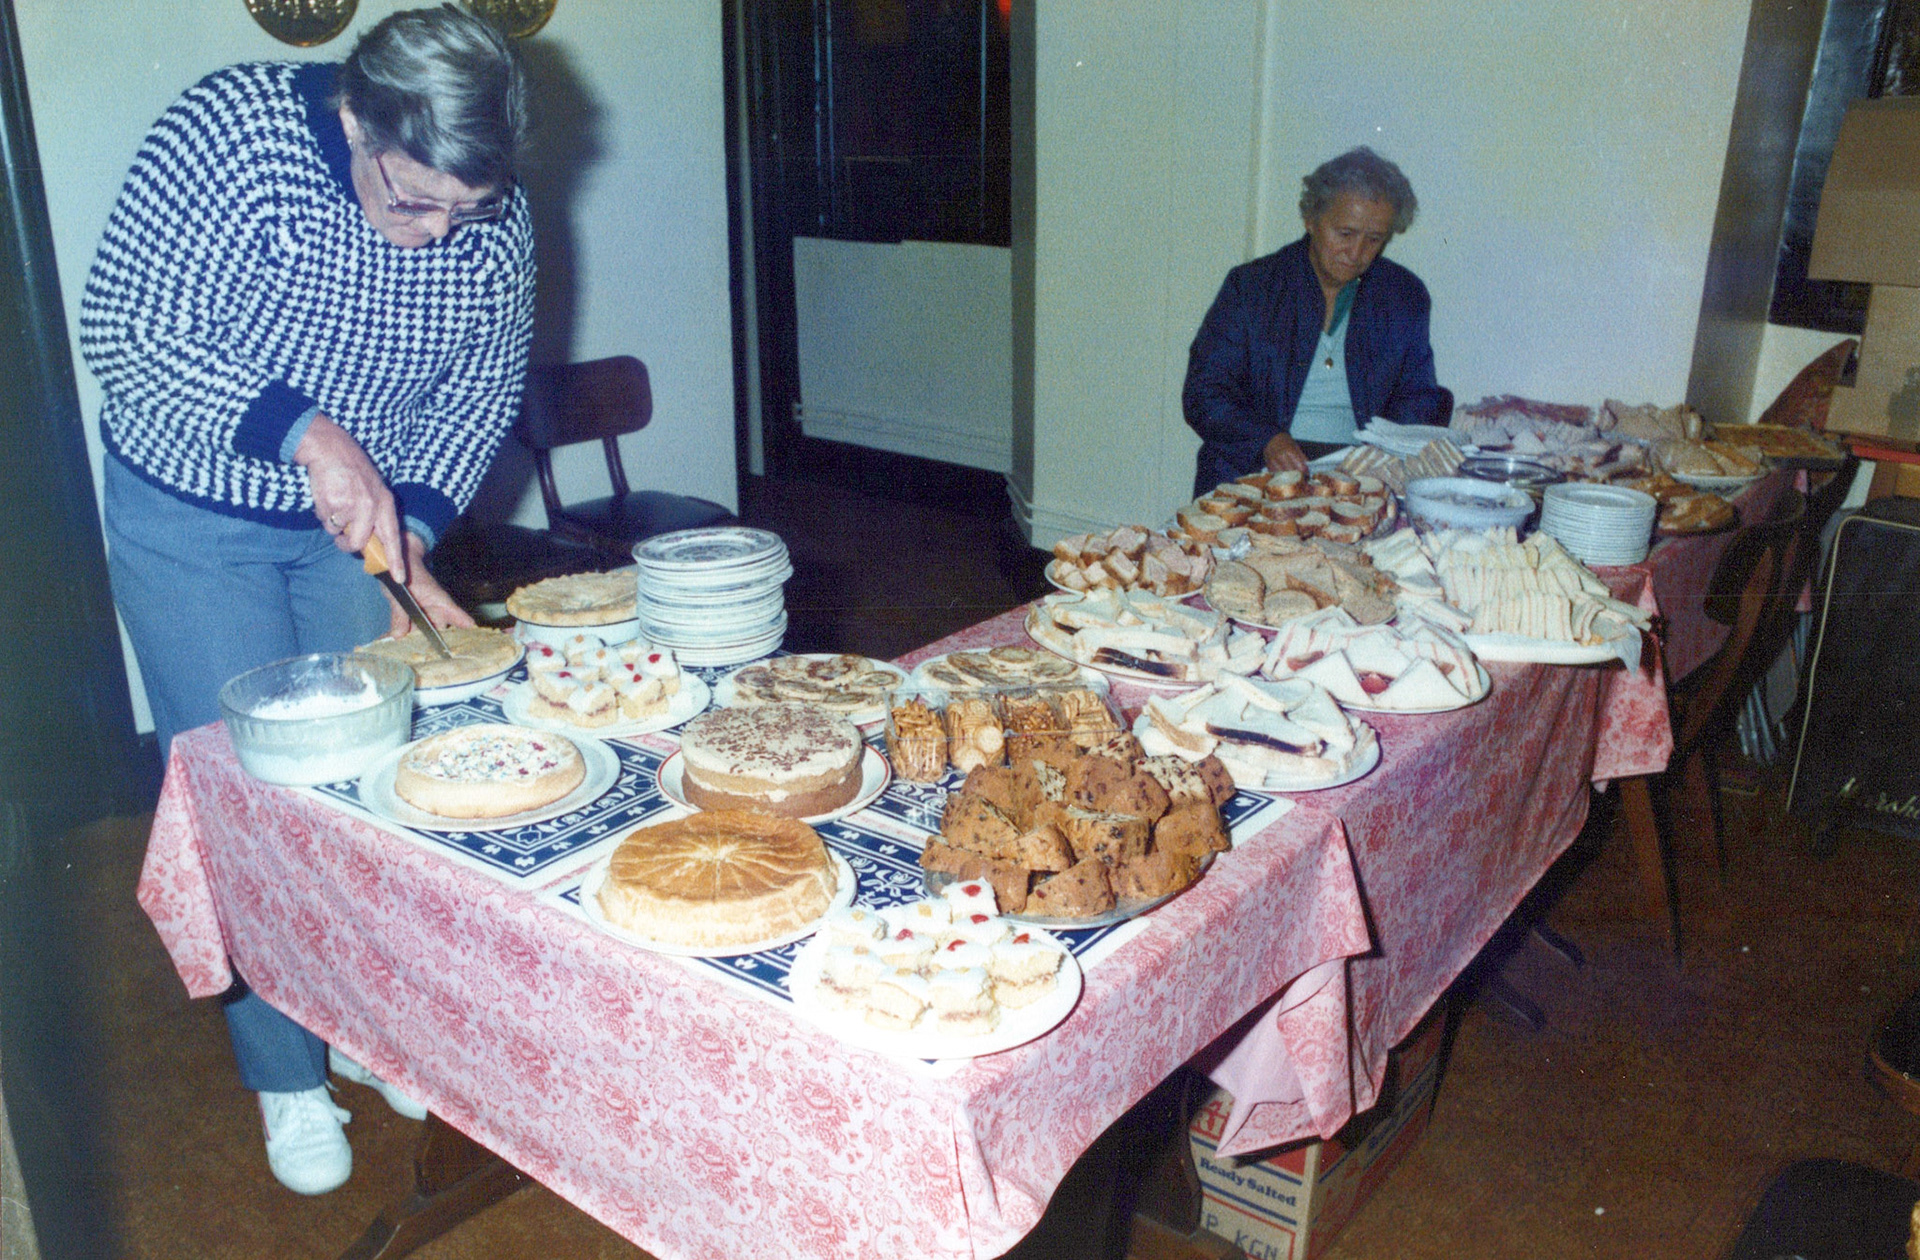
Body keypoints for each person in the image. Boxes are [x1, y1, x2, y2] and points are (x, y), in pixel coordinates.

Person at [81, 4, 534, 1195]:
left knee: (368, 783)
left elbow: (478, 389)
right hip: (192, 511)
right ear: (353, 119)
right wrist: (306, 429)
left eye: (468, 210)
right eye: (411, 202)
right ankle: (286, 1072)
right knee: (251, 781)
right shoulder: (235, 137)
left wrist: (416, 530)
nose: (439, 237)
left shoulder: (487, 220)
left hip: (358, 520)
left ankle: (375, 1025)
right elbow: (127, 330)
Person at [1182, 146, 1451, 495]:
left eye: (1374, 239)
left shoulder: (1403, 296)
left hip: (1357, 475)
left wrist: (1377, 458)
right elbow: (1204, 392)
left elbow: (1418, 398)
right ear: (1311, 219)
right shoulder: (1251, 287)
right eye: (1344, 234)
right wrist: (1265, 439)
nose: (1356, 254)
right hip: (1253, 467)